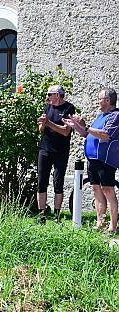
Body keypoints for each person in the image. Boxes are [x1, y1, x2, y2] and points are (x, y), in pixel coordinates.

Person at [64, 87, 119, 233]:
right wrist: (75, 125)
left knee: (107, 190)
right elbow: (86, 134)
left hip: (105, 160)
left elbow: (106, 134)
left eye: (100, 99)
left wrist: (86, 126)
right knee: (96, 189)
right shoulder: (100, 116)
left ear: (107, 100)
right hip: (93, 160)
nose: (98, 102)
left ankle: (113, 226)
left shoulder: (115, 115)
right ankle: (100, 222)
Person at [36, 85, 75, 223]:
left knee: (58, 182)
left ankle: (57, 216)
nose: (47, 97)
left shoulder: (69, 109)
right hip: (45, 148)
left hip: (60, 151)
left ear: (57, 95)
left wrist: (49, 123)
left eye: (49, 94)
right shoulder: (48, 107)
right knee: (41, 182)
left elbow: (65, 131)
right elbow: (41, 129)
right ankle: (42, 216)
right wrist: (42, 124)